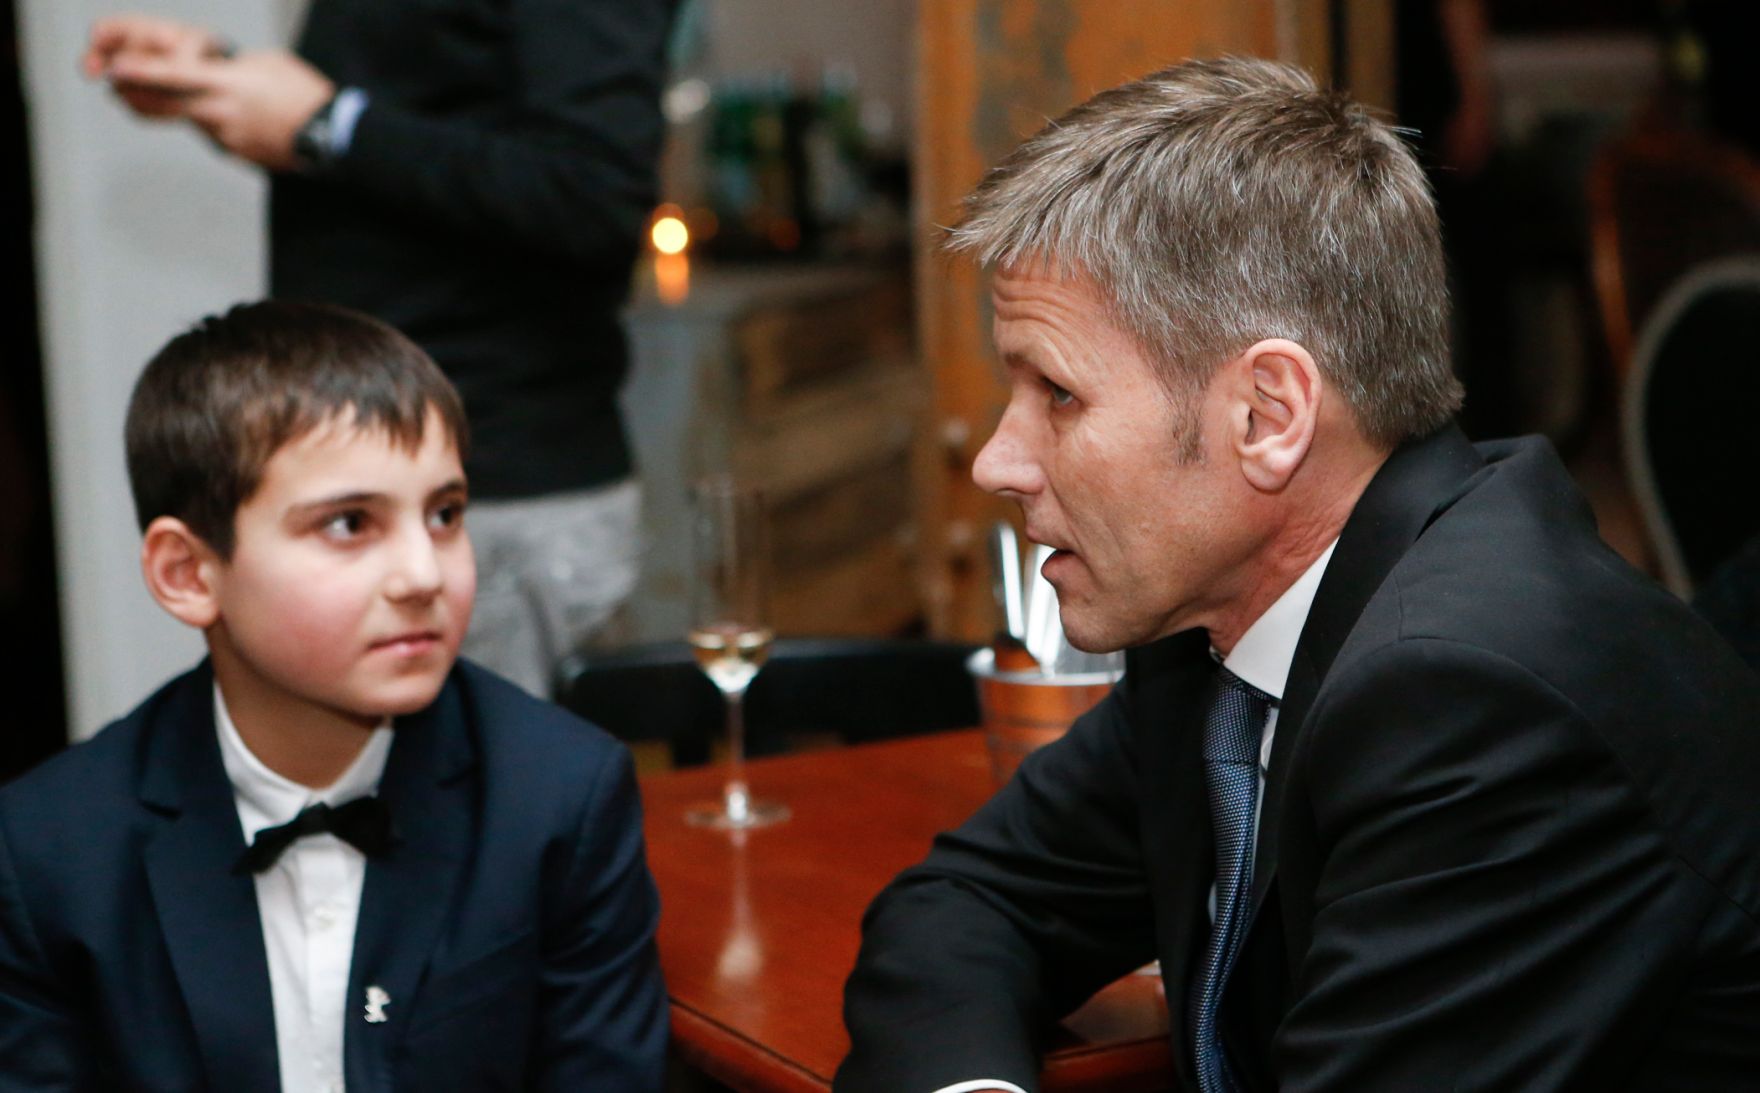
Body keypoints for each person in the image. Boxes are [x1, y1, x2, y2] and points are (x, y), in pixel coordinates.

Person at [836, 57, 1760, 1092]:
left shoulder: (1474, 692)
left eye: (1055, 391)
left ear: (1267, 417)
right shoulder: (1227, 620)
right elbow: (968, 899)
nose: (994, 462)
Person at [0, 302, 667, 1090]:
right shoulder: (49, 847)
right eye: (350, 523)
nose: (424, 573)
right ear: (188, 573)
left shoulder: (558, 797)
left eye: (445, 514)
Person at [80, 0, 678, 695]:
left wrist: (328, 125)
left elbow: (595, 195)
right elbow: (424, 111)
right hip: (376, 463)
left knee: (492, 796)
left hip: (491, 488)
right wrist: (228, 82)